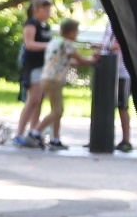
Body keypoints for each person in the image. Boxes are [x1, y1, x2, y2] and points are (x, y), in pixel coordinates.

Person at [32, 18, 97, 149]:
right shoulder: (68, 44)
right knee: (58, 111)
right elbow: (82, 60)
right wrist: (94, 59)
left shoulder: (55, 41)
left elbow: (61, 60)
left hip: (46, 78)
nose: (77, 34)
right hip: (54, 80)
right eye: (76, 31)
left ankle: (55, 139)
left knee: (55, 110)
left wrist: (75, 63)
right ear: (71, 32)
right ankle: (35, 133)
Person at [12, 0, 54, 147]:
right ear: (37, 9)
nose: (48, 13)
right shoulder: (31, 24)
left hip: (44, 67)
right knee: (33, 100)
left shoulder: (46, 27)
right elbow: (29, 44)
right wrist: (49, 46)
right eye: (45, 9)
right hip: (33, 66)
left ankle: (33, 132)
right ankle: (19, 133)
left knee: (40, 101)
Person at [106, 30, 135, 151]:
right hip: (110, 68)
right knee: (106, 106)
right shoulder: (109, 25)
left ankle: (126, 140)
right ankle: (104, 137)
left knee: (122, 106)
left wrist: (112, 47)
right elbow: (107, 43)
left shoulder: (124, 25)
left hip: (124, 72)